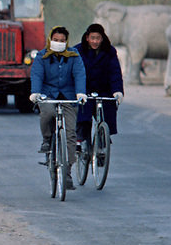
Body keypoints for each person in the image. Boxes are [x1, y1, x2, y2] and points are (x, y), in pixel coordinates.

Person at [30, 26, 86, 189]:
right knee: (46, 113)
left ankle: (67, 171)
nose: (59, 43)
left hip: (68, 96)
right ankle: (47, 139)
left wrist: (81, 93)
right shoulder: (42, 56)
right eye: (56, 40)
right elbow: (37, 75)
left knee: (70, 134)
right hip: (48, 93)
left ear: (66, 42)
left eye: (62, 41)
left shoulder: (74, 56)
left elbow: (80, 74)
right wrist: (36, 93)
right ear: (50, 39)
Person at [73, 23, 124, 150]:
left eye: (98, 38)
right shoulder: (78, 51)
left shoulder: (109, 51)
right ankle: (80, 139)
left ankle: (103, 135)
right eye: (92, 38)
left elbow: (115, 72)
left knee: (108, 110)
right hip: (84, 89)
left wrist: (117, 91)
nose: (95, 41)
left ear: (102, 38)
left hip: (104, 89)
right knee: (83, 112)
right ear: (87, 38)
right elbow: (74, 72)